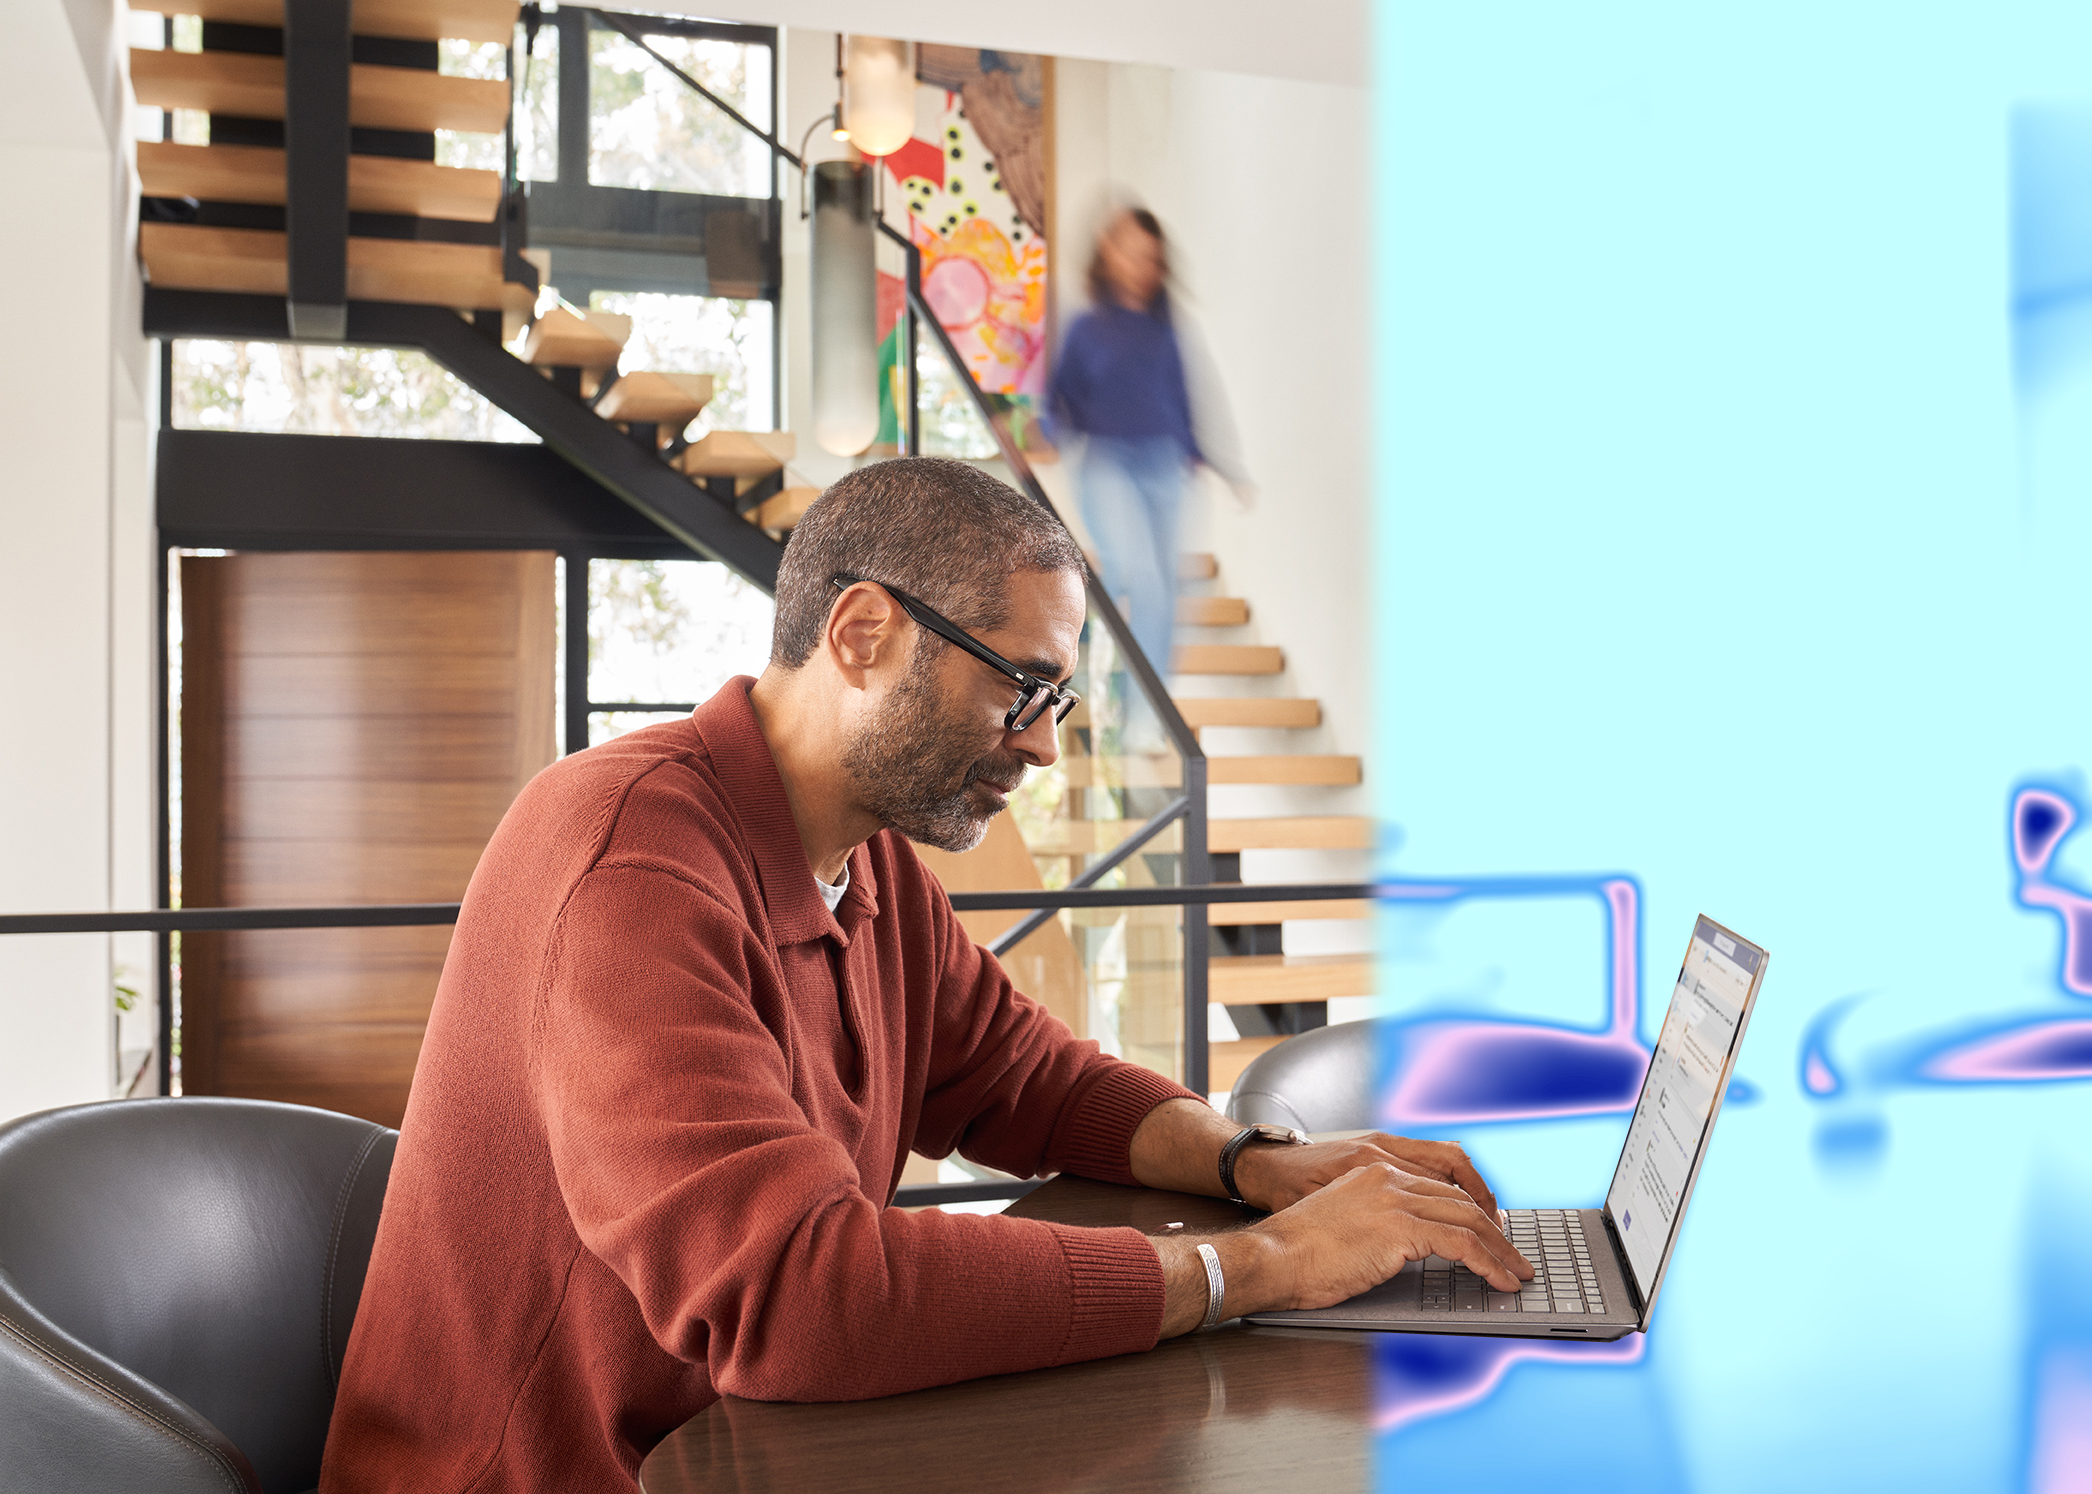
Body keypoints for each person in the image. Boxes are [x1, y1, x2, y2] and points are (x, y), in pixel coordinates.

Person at [320, 458, 1527, 1494]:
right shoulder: (628, 864)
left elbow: (1025, 1076)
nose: (1047, 745)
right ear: (862, 634)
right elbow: (794, 1294)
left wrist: (1253, 1163)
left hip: (745, 1449)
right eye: (1025, 686)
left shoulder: (867, 860)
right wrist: (1254, 1267)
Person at [1046, 206, 1247, 714]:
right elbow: (1061, 400)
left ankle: (1145, 713)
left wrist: (1218, 464)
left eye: (1150, 257)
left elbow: (1185, 399)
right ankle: (1087, 677)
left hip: (1167, 466)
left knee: (1164, 597)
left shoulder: (1166, 330)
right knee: (1137, 575)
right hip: (1108, 462)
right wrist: (1040, 432)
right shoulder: (1087, 327)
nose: (1141, 265)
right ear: (1107, 253)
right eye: (1131, 253)